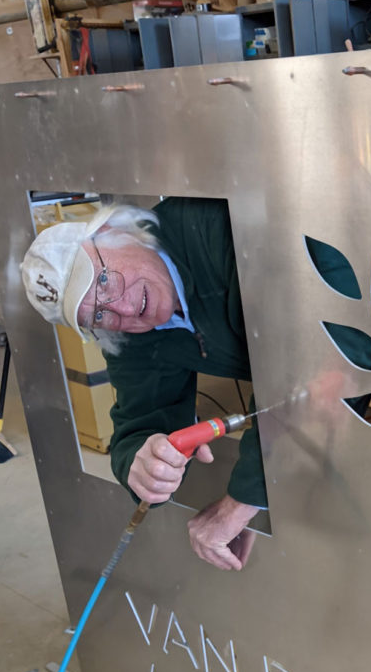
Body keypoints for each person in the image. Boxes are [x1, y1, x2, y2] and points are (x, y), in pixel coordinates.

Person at [21, 198, 272, 571]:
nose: (121, 309)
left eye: (103, 280)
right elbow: (136, 426)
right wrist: (141, 464)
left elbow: (309, 360)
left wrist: (242, 502)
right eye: (99, 314)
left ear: (111, 232)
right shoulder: (132, 334)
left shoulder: (214, 228)